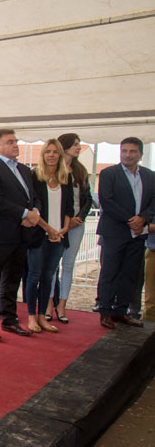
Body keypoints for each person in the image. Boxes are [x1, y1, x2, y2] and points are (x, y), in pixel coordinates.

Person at [0, 129, 41, 340]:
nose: (15, 145)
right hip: (0, 234)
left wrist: (35, 212)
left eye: (15, 141)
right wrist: (25, 214)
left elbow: (33, 197)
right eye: (10, 142)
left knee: (12, 280)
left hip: (21, 233)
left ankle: (9, 319)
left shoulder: (24, 169)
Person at [96, 137, 155, 329]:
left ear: (140, 154)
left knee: (130, 274)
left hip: (138, 234)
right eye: (124, 151)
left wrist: (143, 218)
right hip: (115, 232)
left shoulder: (150, 176)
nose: (128, 155)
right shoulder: (108, 174)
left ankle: (121, 311)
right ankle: (105, 311)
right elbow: (107, 201)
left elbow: (153, 202)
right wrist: (132, 220)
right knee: (110, 273)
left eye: (132, 151)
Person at [25, 139, 73, 334]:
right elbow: (32, 208)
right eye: (47, 152)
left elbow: (69, 208)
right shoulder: (34, 176)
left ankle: (42, 316)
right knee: (34, 276)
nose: (51, 155)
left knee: (49, 277)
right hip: (39, 235)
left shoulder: (66, 178)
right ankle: (31, 317)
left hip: (58, 237)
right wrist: (48, 228)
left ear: (60, 155)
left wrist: (64, 229)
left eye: (55, 152)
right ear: (42, 155)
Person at [45, 133, 92, 323]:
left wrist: (78, 218)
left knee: (69, 265)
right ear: (64, 147)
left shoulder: (80, 171)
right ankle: (49, 303)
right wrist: (66, 221)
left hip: (76, 225)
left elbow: (88, 199)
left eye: (79, 144)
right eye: (75, 144)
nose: (78, 147)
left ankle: (62, 305)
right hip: (56, 225)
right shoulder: (53, 170)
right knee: (52, 266)